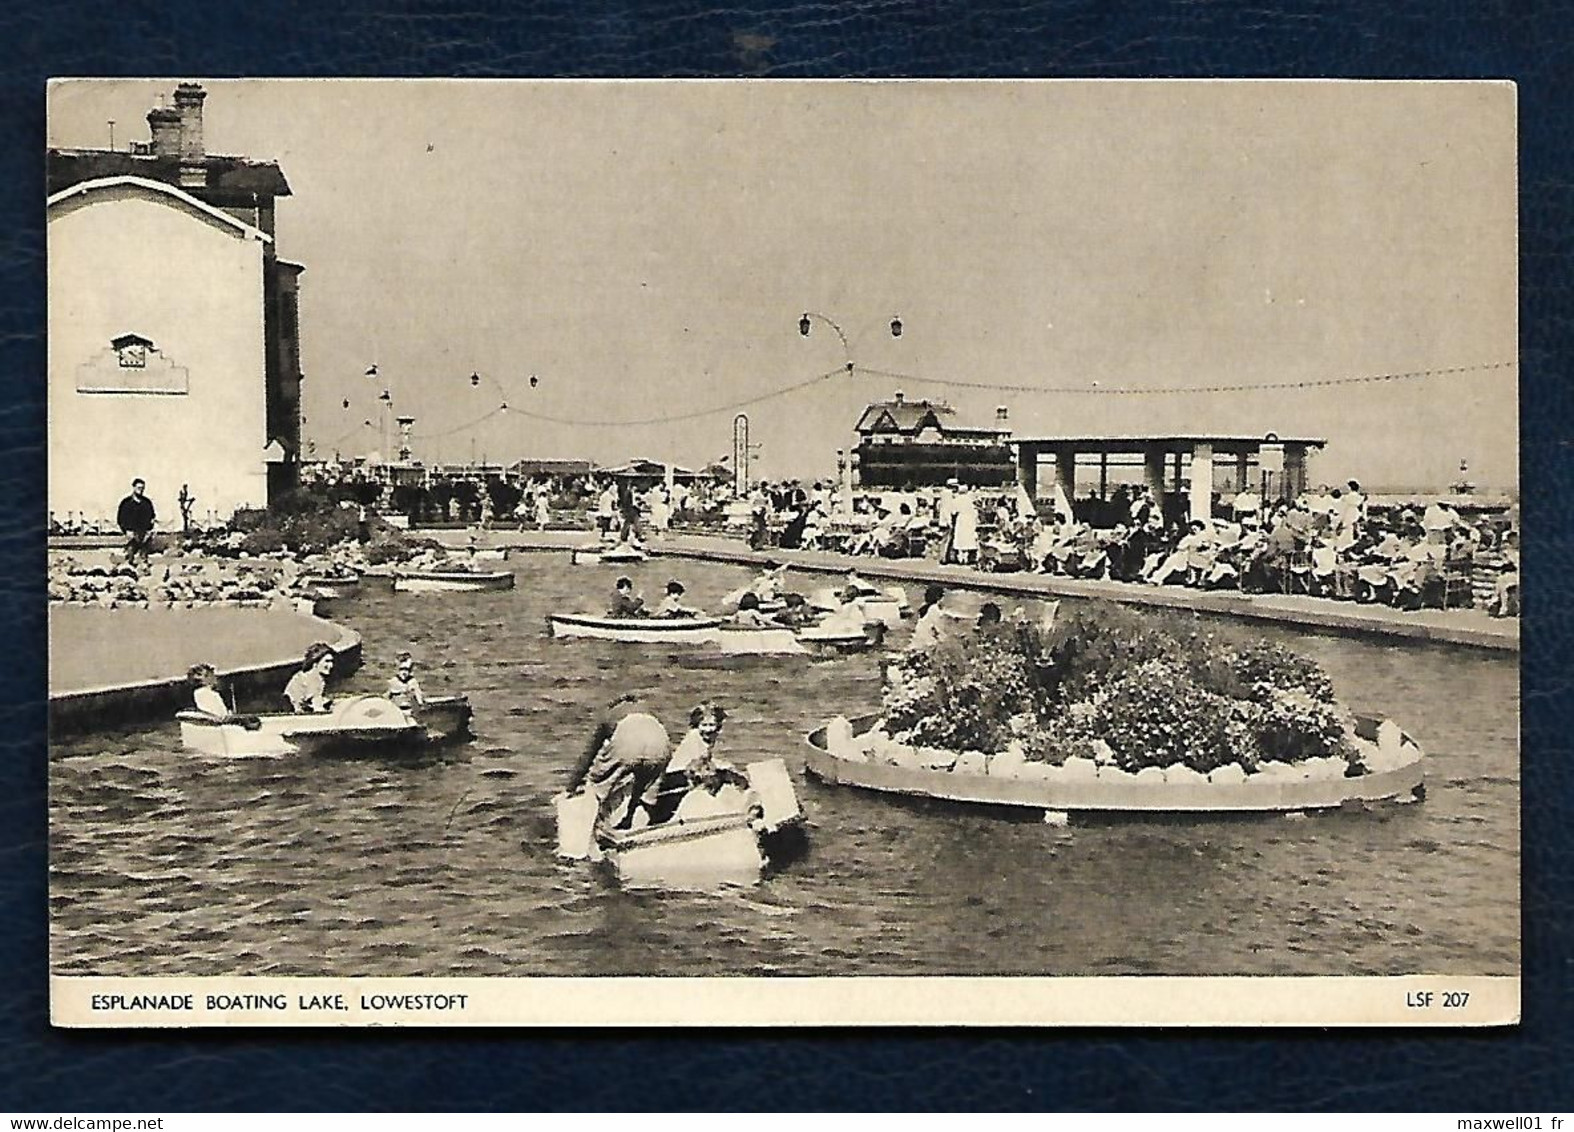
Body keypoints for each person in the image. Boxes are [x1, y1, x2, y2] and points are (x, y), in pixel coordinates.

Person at [564, 694, 673, 830]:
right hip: (660, 744)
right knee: (646, 792)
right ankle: (637, 830)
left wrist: (570, 787)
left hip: (628, 740)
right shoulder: (647, 710)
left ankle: (591, 829)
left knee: (597, 786)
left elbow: (588, 755)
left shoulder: (608, 715)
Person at [283, 643, 336, 714]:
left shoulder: (304, 675)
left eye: (331, 661)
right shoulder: (313, 679)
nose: (331, 665)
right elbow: (318, 708)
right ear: (315, 664)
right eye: (327, 661)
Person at [117, 477, 156, 569]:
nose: (141, 490)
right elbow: (120, 519)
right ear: (134, 488)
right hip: (130, 533)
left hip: (144, 533)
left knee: (145, 554)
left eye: (142, 488)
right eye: (139, 488)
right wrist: (126, 531)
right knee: (130, 553)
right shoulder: (126, 503)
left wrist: (150, 531)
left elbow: (152, 517)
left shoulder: (147, 503)